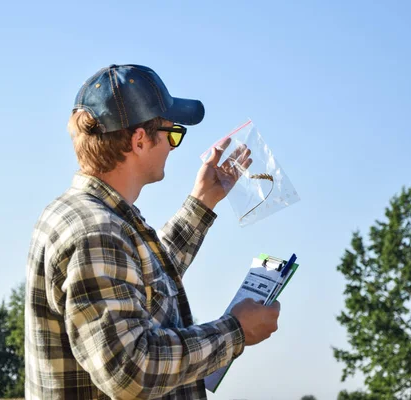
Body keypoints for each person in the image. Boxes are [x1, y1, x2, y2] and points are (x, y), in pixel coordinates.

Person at [25, 64, 281, 400]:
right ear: (140, 139)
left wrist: (203, 201)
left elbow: (143, 281)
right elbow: (131, 370)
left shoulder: (88, 217)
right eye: (172, 132)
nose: (174, 147)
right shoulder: (96, 232)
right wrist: (235, 331)